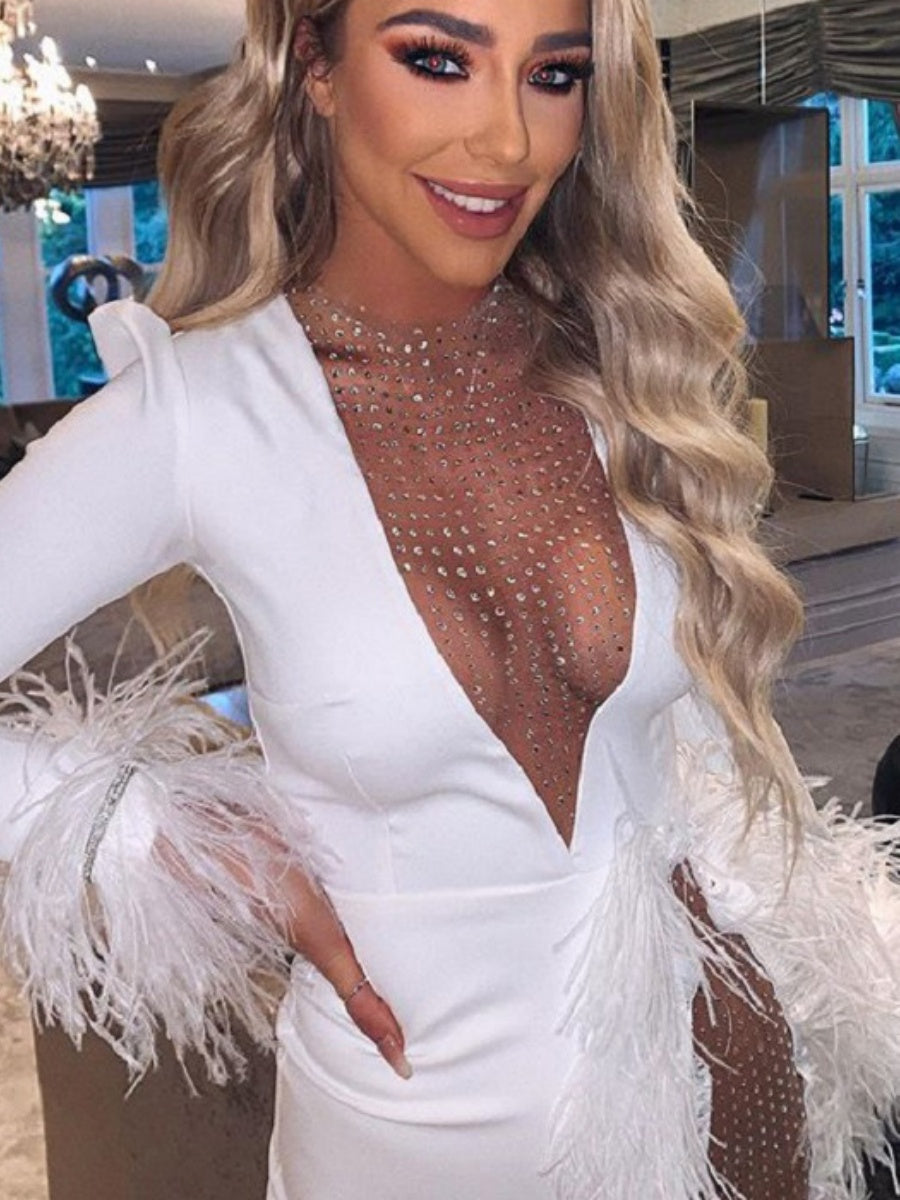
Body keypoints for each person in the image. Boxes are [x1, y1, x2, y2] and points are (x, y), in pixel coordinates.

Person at [1, 2, 900, 1198]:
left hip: (727, 1088)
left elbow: (695, 755)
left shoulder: (618, 357)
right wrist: (166, 835)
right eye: (436, 59)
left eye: (554, 76)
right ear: (315, 64)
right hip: (415, 1142)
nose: (510, 141)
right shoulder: (194, 416)